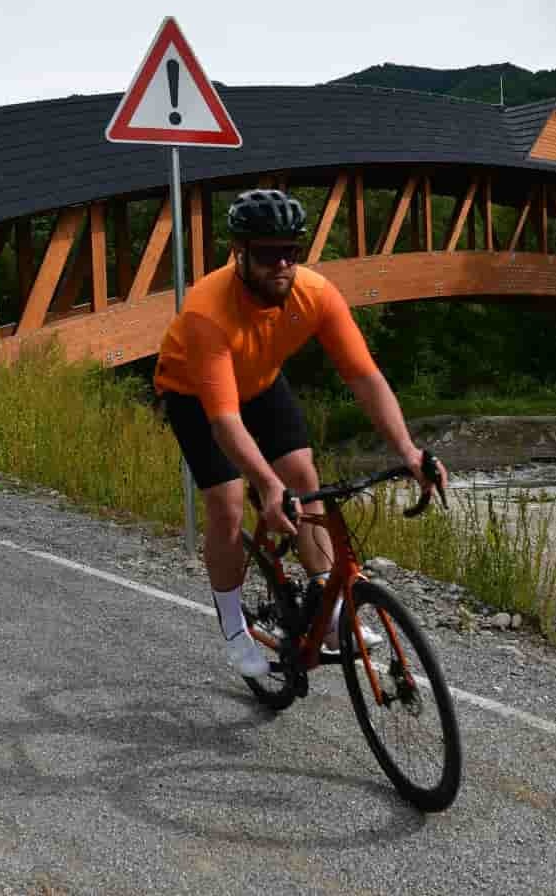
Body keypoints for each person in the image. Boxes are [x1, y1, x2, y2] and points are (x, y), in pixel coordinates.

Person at [153, 188, 449, 678]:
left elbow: (364, 378)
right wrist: (266, 487)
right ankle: (232, 625)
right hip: (194, 395)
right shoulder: (208, 313)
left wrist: (409, 451)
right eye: (269, 255)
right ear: (240, 254)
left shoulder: (315, 293)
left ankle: (329, 609)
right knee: (227, 505)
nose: (283, 265)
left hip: (263, 382)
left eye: (292, 252)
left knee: (303, 478)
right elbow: (224, 420)